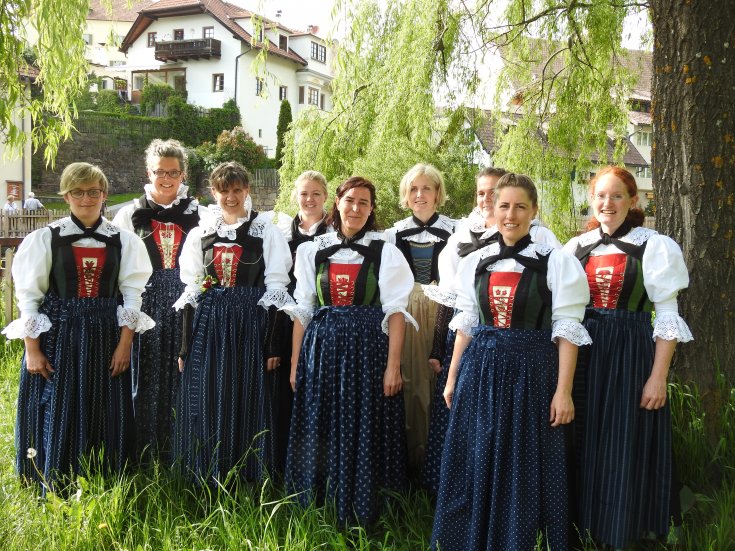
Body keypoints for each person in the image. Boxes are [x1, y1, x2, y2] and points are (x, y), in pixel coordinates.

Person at [431, 173, 590, 551]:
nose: (511, 214)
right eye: (504, 206)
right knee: (476, 453)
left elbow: (567, 329)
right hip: (481, 371)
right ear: (492, 209)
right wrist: (452, 378)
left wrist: (563, 392)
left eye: (520, 206)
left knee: (523, 460)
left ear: (534, 211)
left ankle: (518, 538)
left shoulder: (556, 262)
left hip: (532, 373)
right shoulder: (477, 261)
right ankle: (470, 537)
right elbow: (467, 325)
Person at [564, 166, 693, 549]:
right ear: (592, 199)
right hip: (585, 352)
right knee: (584, 438)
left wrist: (658, 377)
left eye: (617, 195)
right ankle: (582, 526)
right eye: (601, 196)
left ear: (633, 200)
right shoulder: (576, 248)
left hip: (630, 352)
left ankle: (620, 530)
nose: (608, 203)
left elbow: (667, 313)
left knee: (622, 439)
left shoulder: (653, 246)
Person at [3, 162, 153, 490]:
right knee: (57, 403)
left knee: (104, 405)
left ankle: (103, 478)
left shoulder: (124, 242)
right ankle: (55, 477)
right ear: (66, 196)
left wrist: (124, 345)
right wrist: (32, 349)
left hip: (105, 336)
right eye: (77, 192)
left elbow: (131, 297)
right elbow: (30, 299)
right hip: (60, 335)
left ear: (104, 195)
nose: (86, 199)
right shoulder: (46, 239)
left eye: (94, 192)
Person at [283, 176, 416, 524]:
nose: (356, 208)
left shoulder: (384, 251)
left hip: (368, 350)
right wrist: (297, 361)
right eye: (350, 200)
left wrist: (394, 366)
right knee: (323, 420)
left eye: (364, 203)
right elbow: (303, 309)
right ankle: (321, 501)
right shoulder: (313, 249)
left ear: (371, 210)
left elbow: (396, 312)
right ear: (337, 202)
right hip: (323, 350)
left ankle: (366, 503)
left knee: (365, 421)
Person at [421, 166, 562, 493]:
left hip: (526, 348)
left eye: (494, 192)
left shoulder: (542, 241)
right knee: (471, 425)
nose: (488, 198)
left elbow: (554, 309)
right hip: (477, 344)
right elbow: (455, 300)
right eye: (482, 193)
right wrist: (439, 351)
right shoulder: (467, 242)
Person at [173, 161, 292, 484]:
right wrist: (185, 347)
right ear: (214, 192)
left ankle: (250, 474)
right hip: (210, 326)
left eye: (237, 190)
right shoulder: (202, 235)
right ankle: (208, 472)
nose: (230, 197)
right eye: (224, 190)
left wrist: (272, 345)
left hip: (250, 324)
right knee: (210, 393)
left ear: (247, 190)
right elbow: (192, 291)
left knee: (248, 396)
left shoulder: (264, 231)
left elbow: (276, 290)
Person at [112, 138, 211, 462]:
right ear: (148, 172)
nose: (166, 179)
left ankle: (181, 453)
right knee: (145, 372)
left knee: (185, 372)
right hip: (145, 304)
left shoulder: (202, 214)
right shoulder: (129, 214)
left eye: (173, 172)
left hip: (188, 305)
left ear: (183, 175)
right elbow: (116, 264)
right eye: (159, 172)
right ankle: (143, 453)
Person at [384, 163, 455, 480]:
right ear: (405, 195)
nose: (420, 194)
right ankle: (413, 463)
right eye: (413, 189)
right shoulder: (393, 233)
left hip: (444, 309)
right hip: (409, 311)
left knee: (441, 383)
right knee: (411, 383)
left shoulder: (456, 232)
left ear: (438, 193)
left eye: (427, 188)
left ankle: (441, 462)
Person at [269, 170, 333, 474]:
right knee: (284, 382)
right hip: (286, 315)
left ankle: (317, 461)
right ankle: (284, 458)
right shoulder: (282, 233)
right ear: (296, 196)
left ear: (326, 197)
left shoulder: (335, 234)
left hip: (320, 314)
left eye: (316, 194)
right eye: (304, 193)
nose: (309, 199)